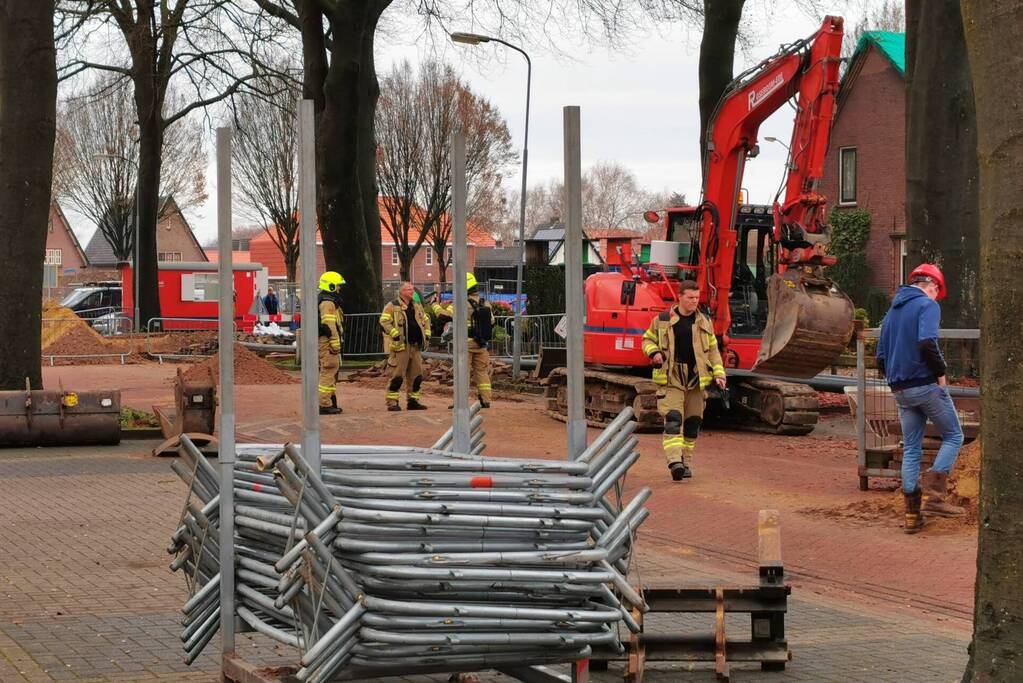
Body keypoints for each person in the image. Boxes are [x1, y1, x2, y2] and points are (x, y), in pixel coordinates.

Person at [876, 263, 964, 533]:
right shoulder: (927, 305)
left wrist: (894, 379)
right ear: (932, 286)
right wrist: (941, 374)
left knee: (912, 448)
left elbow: (880, 355)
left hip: (900, 389)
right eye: (937, 292)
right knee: (954, 436)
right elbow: (927, 342)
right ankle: (935, 497)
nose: (936, 297)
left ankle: (912, 516)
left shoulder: (893, 310)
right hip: (925, 385)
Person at [641, 279, 727, 481]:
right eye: (690, 298)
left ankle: (686, 463)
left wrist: (720, 374)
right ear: (679, 296)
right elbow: (647, 339)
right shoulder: (662, 320)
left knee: (692, 423)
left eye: (697, 298)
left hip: (697, 379)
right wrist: (654, 353)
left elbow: (713, 351)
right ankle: (674, 462)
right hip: (672, 378)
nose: (694, 301)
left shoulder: (704, 321)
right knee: (673, 420)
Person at [432, 273, 495, 407]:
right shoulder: (485, 303)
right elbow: (492, 322)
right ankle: (486, 400)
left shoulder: (460, 303)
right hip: (482, 344)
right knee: (482, 373)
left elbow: (444, 316)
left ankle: (460, 403)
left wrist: (435, 305)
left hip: (465, 344)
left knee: (462, 373)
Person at [379, 282, 431, 411]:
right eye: (409, 289)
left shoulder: (417, 306)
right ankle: (392, 402)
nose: (412, 291)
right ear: (401, 292)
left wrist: (427, 333)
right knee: (397, 376)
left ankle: (413, 401)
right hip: (401, 347)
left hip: (416, 346)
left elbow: (426, 320)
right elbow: (384, 321)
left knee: (416, 376)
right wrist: (394, 333)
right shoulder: (392, 306)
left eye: (412, 289)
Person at [317, 271, 345, 415]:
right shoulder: (328, 302)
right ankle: (324, 403)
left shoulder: (327, 300)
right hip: (327, 342)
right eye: (338, 286)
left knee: (331, 370)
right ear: (332, 286)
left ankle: (329, 400)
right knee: (329, 369)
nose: (340, 288)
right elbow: (329, 324)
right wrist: (335, 343)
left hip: (326, 341)